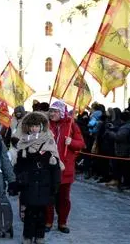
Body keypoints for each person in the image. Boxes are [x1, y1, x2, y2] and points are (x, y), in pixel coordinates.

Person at [13, 112, 61, 244]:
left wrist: (56, 184)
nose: (34, 128)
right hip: (29, 185)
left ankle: (40, 236)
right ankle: (27, 236)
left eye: (37, 126)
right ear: (28, 127)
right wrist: (16, 182)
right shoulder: (23, 142)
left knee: (42, 213)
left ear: (42, 127)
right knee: (28, 213)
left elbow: (55, 166)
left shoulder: (49, 141)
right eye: (32, 126)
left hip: (45, 184)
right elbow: (18, 167)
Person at [45, 100, 85, 234]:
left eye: (55, 111)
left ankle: (62, 222)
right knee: (49, 196)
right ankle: (48, 221)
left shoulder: (71, 124)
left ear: (61, 112)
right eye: (51, 111)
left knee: (64, 198)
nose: (52, 114)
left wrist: (71, 142)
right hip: (49, 167)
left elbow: (81, 144)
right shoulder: (46, 125)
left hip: (65, 168)